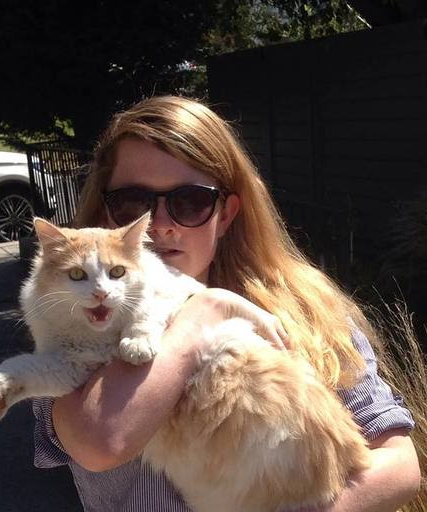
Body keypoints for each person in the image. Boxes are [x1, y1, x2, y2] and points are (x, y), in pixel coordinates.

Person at [32, 95, 420, 511]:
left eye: (189, 202)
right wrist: (203, 314)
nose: (160, 225)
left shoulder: (307, 310)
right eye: (132, 202)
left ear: (227, 214)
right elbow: (101, 441)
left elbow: (398, 464)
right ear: (107, 214)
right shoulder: (73, 332)